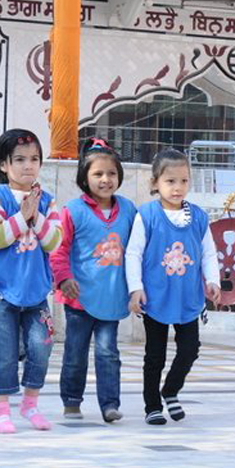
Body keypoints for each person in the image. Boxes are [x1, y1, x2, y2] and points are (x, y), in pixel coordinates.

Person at [125, 149, 221, 426]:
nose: (177, 187)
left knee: (190, 349)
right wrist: (136, 288)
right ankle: (152, 405)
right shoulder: (147, 215)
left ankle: (170, 390)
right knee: (155, 355)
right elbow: (133, 254)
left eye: (183, 181)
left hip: (188, 297)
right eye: (170, 181)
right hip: (156, 297)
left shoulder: (198, 217)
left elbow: (208, 253)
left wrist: (212, 280)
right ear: (155, 182)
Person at [0, 129, 63, 434]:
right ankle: (1, 410)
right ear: (4, 165)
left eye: (34, 159)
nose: (28, 165)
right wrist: (20, 216)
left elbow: (54, 241)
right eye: (19, 159)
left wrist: (35, 216)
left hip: (36, 290)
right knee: (3, 352)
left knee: (41, 346)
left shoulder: (47, 201)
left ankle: (30, 404)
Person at [51, 138, 136, 423]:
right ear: (84, 178)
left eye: (111, 173)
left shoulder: (129, 211)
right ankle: (71, 401)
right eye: (98, 174)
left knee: (108, 353)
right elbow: (59, 250)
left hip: (112, 297)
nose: (105, 179)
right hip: (79, 299)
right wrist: (64, 279)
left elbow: (139, 250)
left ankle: (110, 405)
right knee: (75, 353)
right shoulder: (73, 211)